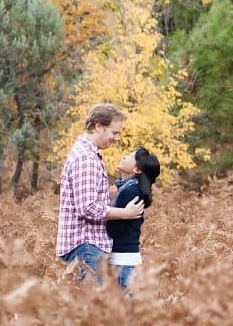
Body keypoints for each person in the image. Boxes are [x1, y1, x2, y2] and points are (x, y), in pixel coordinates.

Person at [56, 103, 145, 282]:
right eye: (114, 132)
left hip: (89, 247)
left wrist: (110, 201)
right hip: (87, 245)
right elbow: (87, 208)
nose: (116, 138)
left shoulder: (89, 155)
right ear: (98, 126)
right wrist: (125, 213)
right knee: (99, 308)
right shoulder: (85, 158)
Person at [107, 146, 161, 288]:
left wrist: (112, 204)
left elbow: (113, 230)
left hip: (123, 263)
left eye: (130, 157)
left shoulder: (129, 190)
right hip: (128, 262)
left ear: (136, 170)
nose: (124, 156)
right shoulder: (131, 188)